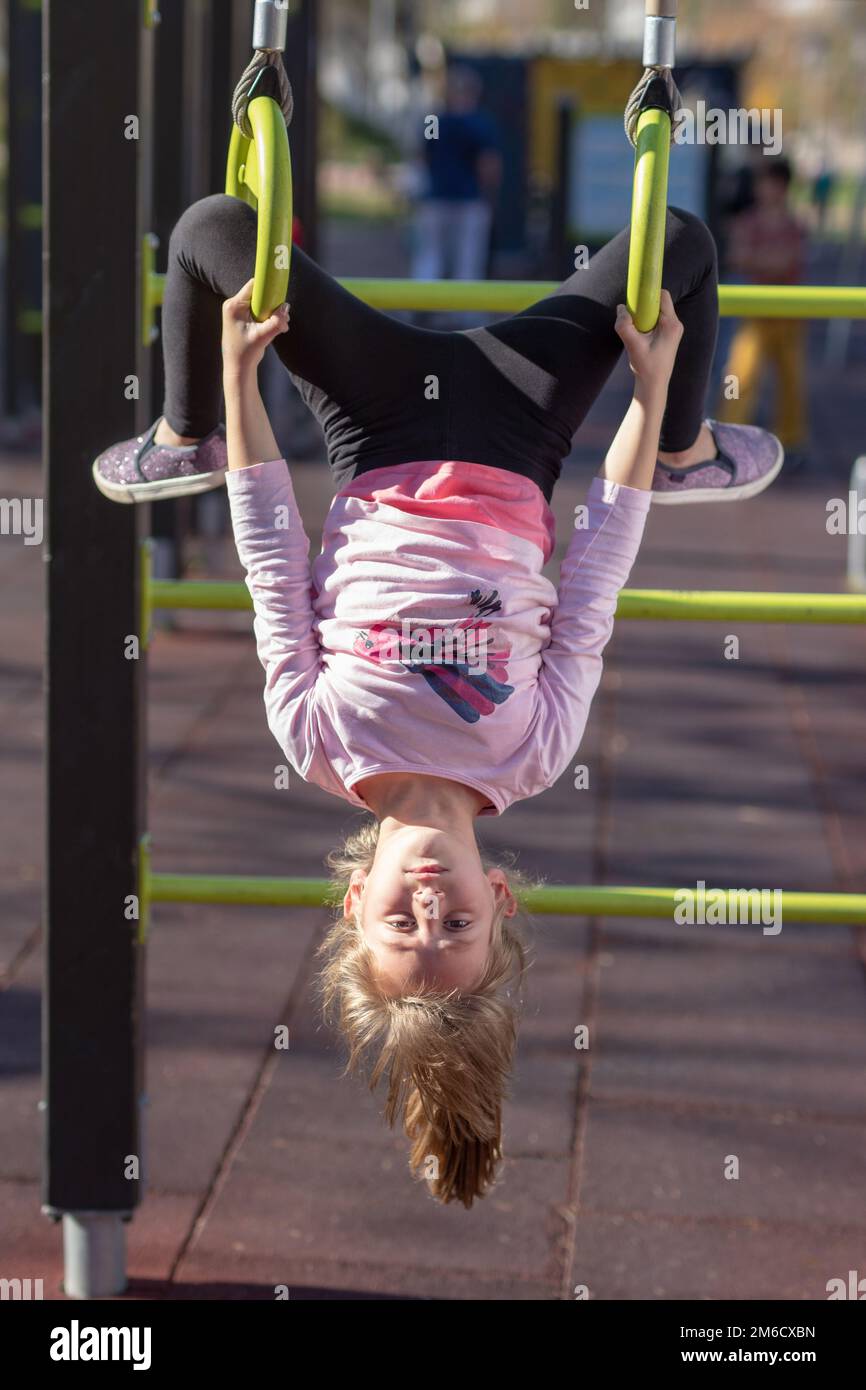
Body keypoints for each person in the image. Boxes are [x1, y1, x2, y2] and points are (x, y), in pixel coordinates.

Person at [92, 194, 783, 1206]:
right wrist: (650, 399)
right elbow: (590, 582)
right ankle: (687, 451)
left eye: (398, 928)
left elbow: (273, 560)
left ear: (351, 904)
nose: (426, 909)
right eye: (453, 925)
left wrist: (237, 390)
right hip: (519, 421)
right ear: (497, 899)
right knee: (674, 244)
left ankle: (180, 426)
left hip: (375, 425)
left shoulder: (318, 740)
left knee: (207, 236)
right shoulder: (532, 752)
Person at [716, 156, 809, 460]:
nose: (763, 189)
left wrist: (761, 259)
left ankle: (791, 440)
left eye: (768, 183)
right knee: (741, 373)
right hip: (755, 314)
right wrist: (770, 260)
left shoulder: (793, 224)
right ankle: (730, 437)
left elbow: (787, 261)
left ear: (781, 187)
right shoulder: (751, 222)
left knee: (791, 380)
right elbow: (739, 257)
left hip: (787, 315)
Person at [410, 65, 502, 285]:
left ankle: (420, 304)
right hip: (469, 200)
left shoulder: (434, 120)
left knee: (430, 256)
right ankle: (466, 314)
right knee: (468, 261)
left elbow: (422, 156)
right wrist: (490, 197)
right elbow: (488, 166)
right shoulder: (481, 123)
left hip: (435, 198)